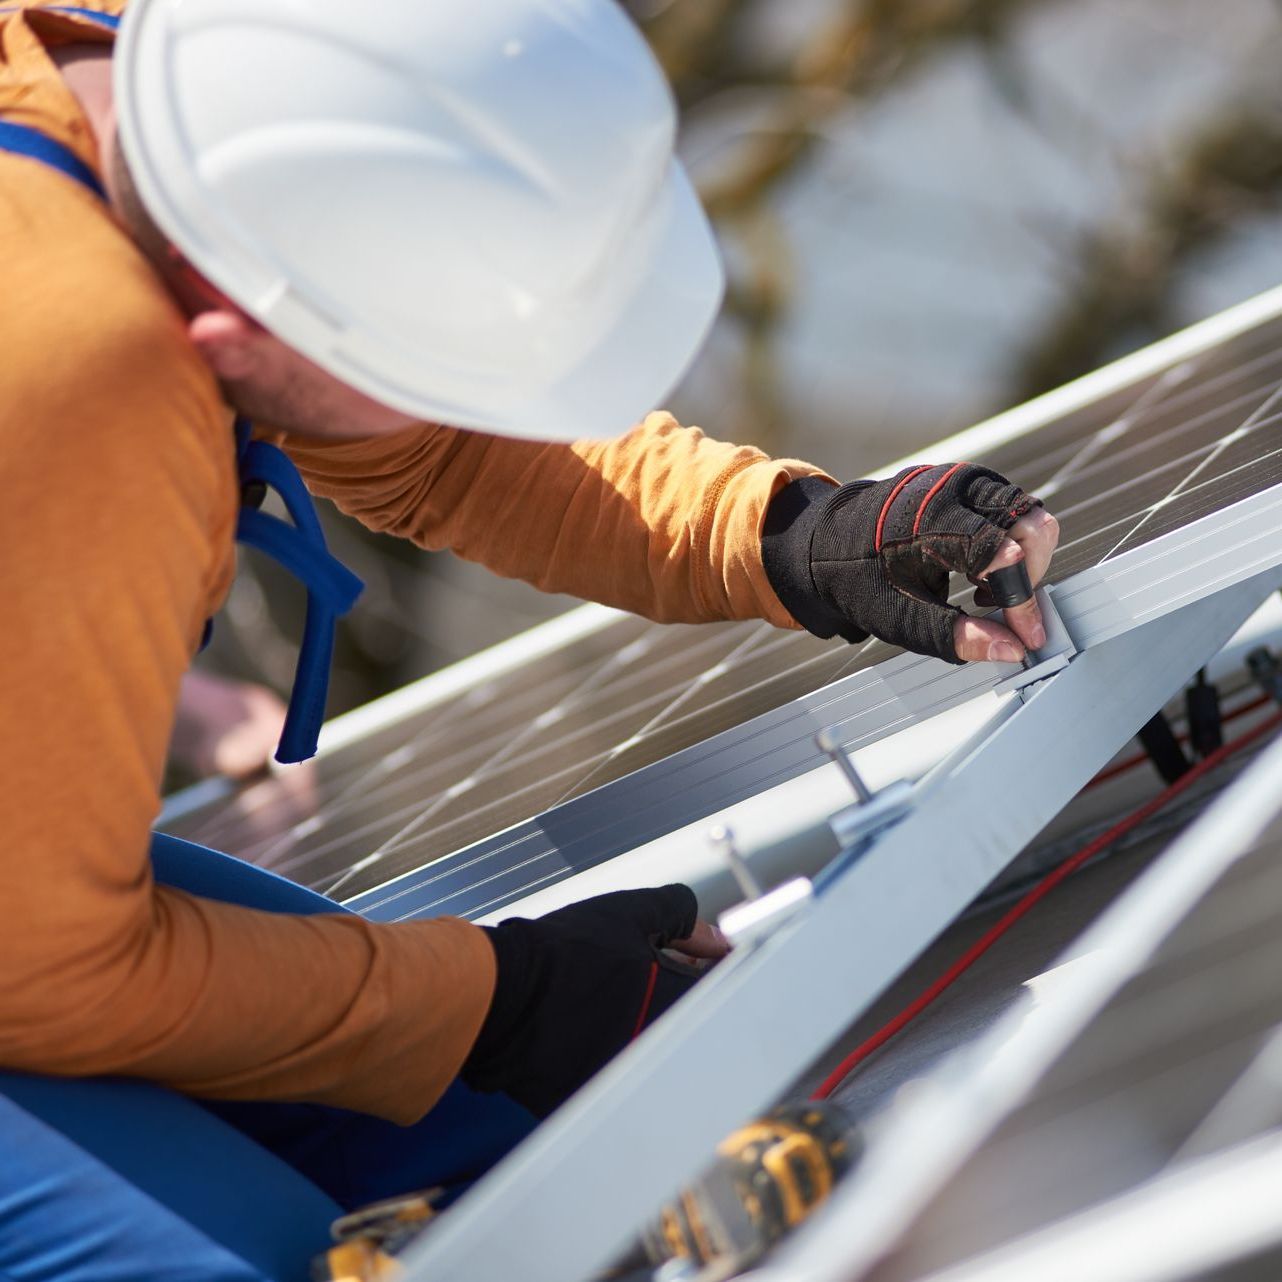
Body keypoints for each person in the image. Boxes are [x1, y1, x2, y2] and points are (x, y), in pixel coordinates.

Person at [0, 0, 1060, 1277]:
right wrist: (502, 999)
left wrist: (787, 535)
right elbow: (46, 970)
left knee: (473, 1131)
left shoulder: (185, 88)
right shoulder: (72, 354)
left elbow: (433, 447)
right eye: (413, 367)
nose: (438, 411)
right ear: (223, 331)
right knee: (269, 1256)